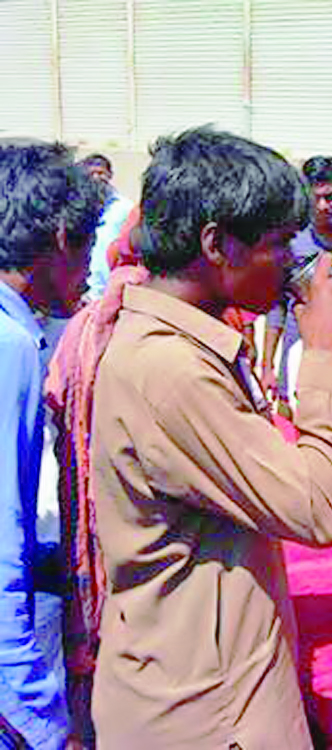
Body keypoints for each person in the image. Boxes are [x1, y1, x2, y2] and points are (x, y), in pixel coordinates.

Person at [88, 127, 332, 749]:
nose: (290, 261)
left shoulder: (185, 341)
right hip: (209, 719)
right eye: (275, 244)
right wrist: (323, 351)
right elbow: (317, 514)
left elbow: (232, 473)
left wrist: (325, 458)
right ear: (217, 246)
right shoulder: (171, 370)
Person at [0, 140, 103, 749]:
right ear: (62, 239)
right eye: (86, 246)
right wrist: (37, 714)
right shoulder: (11, 346)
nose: (90, 268)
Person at [261, 155, 332, 417]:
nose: (324, 206)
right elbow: (277, 308)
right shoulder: (291, 244)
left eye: (331, 196)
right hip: (295, 371)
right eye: (315, 198)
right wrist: (268, 366)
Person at [79, 153, 135, 300]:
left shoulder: (125, 208)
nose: (96, 178)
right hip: (81, 293)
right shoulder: (77, 207)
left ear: (110, 175)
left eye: (101, 173)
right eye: (91, 173)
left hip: (109, 292)